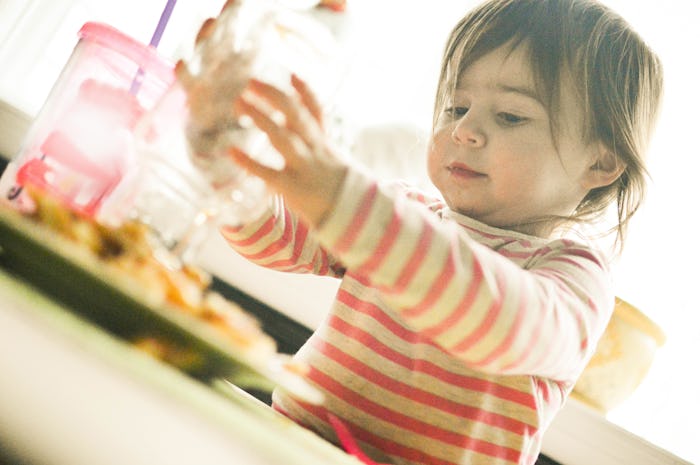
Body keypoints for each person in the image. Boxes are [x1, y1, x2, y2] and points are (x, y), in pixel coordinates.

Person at [196, 0, 663, 464]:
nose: (464, 130)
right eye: (456, 106)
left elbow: (496, 322)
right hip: (288, 445)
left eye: (511, 116)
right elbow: (272, 238)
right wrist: (224, 152)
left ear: (600, 162)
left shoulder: (575, 279)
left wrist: (347, 203)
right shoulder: (399, 212)